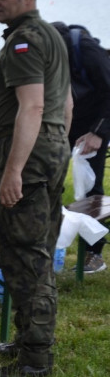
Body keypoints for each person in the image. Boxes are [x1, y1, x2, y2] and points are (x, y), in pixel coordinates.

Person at [0, 0, 71, 377]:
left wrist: (14, 170)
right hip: (52, 152)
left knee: (25, 259)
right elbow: (65, 105)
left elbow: (32, 106)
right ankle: (28, 341)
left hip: (31, 160)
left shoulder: (24, 41)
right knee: (37, 250)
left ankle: (34, 362)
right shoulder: (51, 34)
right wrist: (58, 150)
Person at [51, 21, 110, 273]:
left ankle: (94, 254)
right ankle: (47, 246)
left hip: (94, 122)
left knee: (89, 188)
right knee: (47, 179)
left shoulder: (87, 52)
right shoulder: (47, 53)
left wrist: (97, 133)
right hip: (63, 119)